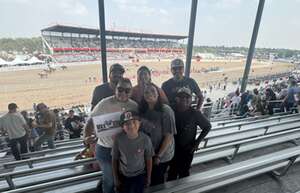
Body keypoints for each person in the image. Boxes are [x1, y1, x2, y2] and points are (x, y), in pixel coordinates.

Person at [84, 78, 138, 193]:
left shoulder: (134, 106)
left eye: (127, 90)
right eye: (120, 89)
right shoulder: (104, 103)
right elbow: (90, 121)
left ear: (131, 92)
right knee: (110, 180)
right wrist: (86, 136)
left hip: (124, 150)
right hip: (105, 149)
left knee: (120, 178)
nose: (123, 93)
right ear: (115, 89)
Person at [168, 88, 211, 180]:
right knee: (172, 172)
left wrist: (196, 143)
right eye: (181, 96)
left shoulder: (195, 113)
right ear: (176, 98)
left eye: (187, 97)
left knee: (184, 172)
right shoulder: (171, 110)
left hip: (187, 149)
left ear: (191, 99)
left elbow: (207, 127)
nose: (184, 99)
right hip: (172, 149)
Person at [139, 83, 176, 186]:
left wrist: (158, 156)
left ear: (158, 94)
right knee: (150, 179)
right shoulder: (143, 111)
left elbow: (169, 136)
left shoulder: (166, 110)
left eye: (153, 91)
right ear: (143, 95)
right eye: (146, 92)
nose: (149, 93)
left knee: (157, 181)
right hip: (149, 154)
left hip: (162, 155)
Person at [112, 111, 153, 193]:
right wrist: (116, 178)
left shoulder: (145, 139)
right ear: (122, 127)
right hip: (124, 175)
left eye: (134, 122)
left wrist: (148, 177)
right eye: (126, 124)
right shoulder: (118, 139)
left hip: (140, 174)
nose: (131, 125)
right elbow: (114, 159)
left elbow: (149, 159)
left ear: (140, 123)